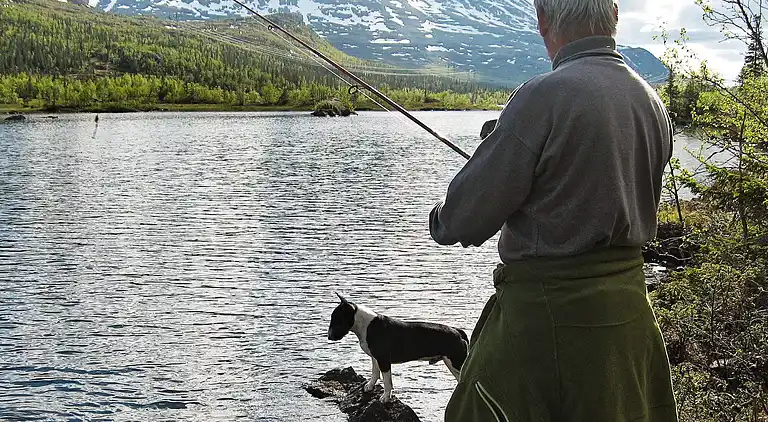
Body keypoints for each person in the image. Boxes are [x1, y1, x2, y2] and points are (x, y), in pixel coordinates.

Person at [429, 0, 679, 421]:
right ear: (614, 15)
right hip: (630, 324)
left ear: (542, 21)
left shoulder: (542, 96)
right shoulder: (651, 103)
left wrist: (441, 214)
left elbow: (460, 222)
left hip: (545, 323)